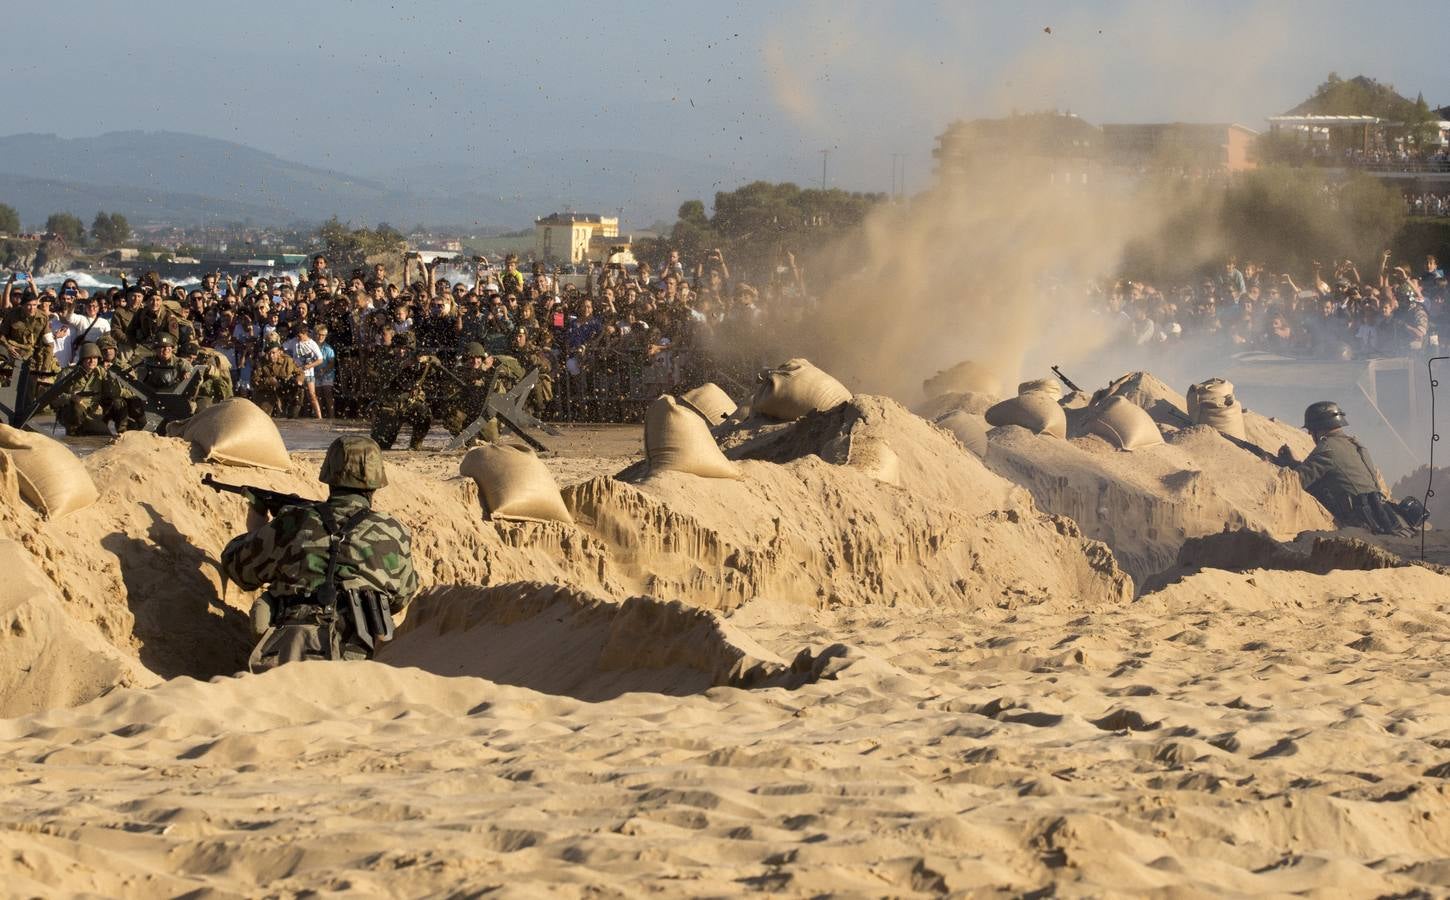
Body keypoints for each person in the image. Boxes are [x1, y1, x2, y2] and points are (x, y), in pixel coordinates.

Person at [220, 436, 418, 671]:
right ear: (376, 482)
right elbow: (402, 597)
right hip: (362, 658)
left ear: (328, 476)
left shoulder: (294, 521)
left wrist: (258, 527)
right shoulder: (393, 531)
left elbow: (239, 569)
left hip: (287, 653)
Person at [1277, 401, 1395, 530]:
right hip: (1380, 514)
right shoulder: (1355, 444)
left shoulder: (1327, 448)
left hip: (1358, 520)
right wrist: (1294, 462)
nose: (1310, 434)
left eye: (1310, 430)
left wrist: (1286, 464)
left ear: (1319, 427)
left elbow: (1297, 481)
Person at [369, 330, 437, 450]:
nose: (401, 351)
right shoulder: (386, 360)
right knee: (380, 445)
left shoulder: (416, 359)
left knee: (424, 415)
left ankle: (415, 445)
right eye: (398, 348)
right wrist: (402, 365)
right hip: (391, 407)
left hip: (411, 403)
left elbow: (436, 364)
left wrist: (427, 359)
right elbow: (385, 374)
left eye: (405, 348)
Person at [53, 342, 141, 435]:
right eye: (88, 358)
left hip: (92, 413)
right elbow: (53, 397)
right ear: (82, 359)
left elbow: (113, 393)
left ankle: (123, 434)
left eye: (95, 358)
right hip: (72, 413)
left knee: (118, 404)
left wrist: (111, 376)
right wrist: (71, 398)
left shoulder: (101, 371)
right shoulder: (68, 372)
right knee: (77, 409)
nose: (92, 361)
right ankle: (74, 432)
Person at [251, 336, 304, 417]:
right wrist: (269, 381)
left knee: (299, 389)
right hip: (268, 391)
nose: (271, 355)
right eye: (268, 353)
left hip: (286, 389)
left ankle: (293, 414)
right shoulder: (261, 363)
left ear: (279, 352)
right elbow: (255, 381)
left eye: (273, 353)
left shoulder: (287, 360)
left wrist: (298, 380)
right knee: (264, 416)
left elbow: (300, 372)